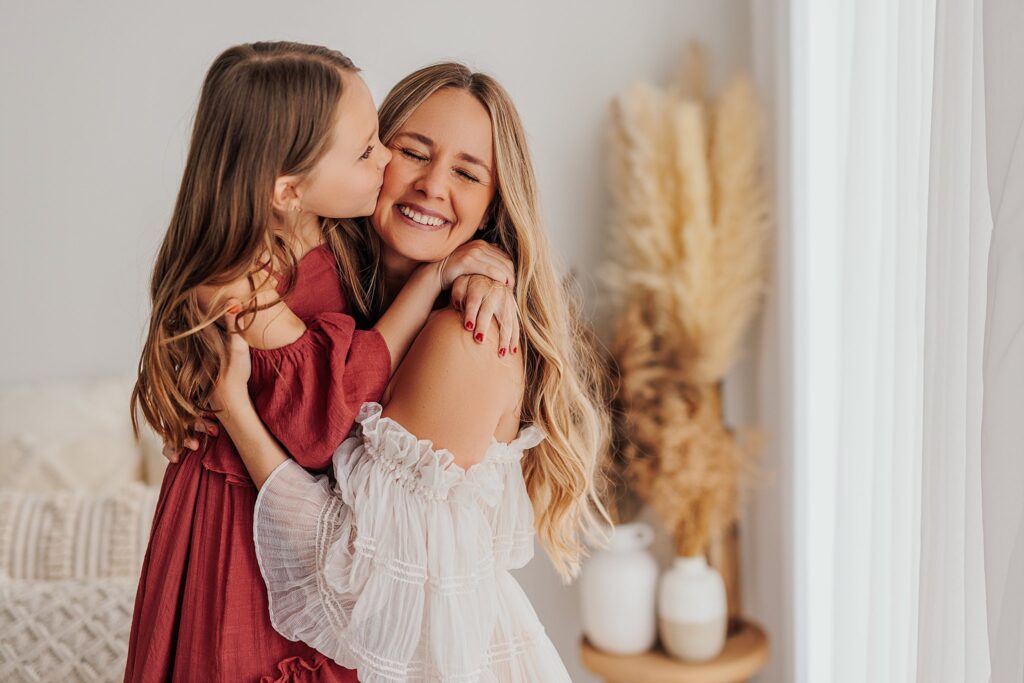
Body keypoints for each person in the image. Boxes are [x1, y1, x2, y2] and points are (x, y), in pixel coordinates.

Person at [207, 62, 614, 682]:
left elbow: (352, 572)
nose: (431, 185)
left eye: (467, 173)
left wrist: (232, 413)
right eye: (412, 152)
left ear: (491, 205)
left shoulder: (465, 336)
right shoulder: (340, 300)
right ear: (369, 156)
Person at [127, 43, 517, 682]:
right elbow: (320, 417)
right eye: (392, 149)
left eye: (469, 172)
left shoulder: (330, 243)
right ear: (291, 186)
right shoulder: (259, 270)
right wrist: (437, 276)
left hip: (300, 560)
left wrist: (469, 275)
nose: (398, 165)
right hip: (238, 542)